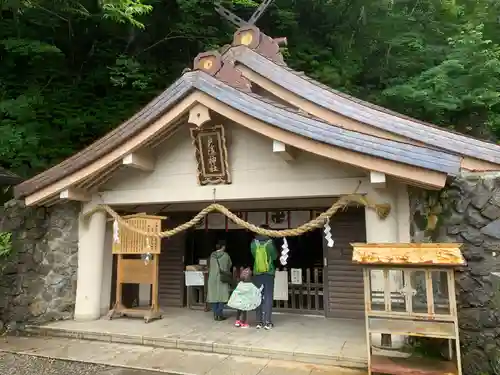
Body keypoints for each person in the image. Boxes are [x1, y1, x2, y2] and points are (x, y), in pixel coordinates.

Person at [251, 225, 278, 330]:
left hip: (257, 273)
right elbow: (275, 256)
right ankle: (267, 321)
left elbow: (254, 256)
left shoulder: (253, 243)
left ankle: (259, 322)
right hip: (269, 272)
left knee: (258, 296)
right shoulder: (270, 243)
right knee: (268, 296)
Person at [207, 240, 232, 321]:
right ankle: (219, 314)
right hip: (222, 278)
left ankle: (215, 314)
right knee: (222, 296)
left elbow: (209, 266)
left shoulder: (212, 255)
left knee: (214, 296)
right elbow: (229, 265)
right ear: (223, 247)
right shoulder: (226, 255)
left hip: (212, 278)